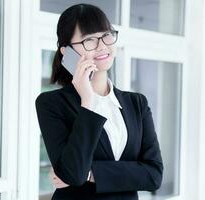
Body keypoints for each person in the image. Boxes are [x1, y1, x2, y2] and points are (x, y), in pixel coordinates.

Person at [35, 3, 163, 200]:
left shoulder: (137, 103)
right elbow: (73, 174)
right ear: (66, 51)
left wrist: (91, 174)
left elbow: (154, 175)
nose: (102, 45)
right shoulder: (51, 104)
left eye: (106, 35)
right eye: (89, 40)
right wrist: (88, 101)